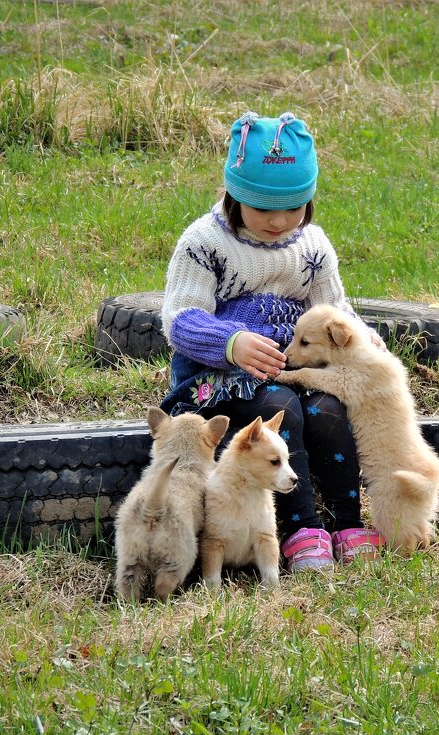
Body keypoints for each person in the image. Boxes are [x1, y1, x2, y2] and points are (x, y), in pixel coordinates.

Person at [159, 111, 384, 574]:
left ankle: (348, 521)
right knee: (284, 407)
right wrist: (231, 342)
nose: (279, 221)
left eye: (293, 206)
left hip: (293, 366)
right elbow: (180, 319)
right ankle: (302, 528)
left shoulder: (314, 248)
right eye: (262, 207)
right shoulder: (204, 243)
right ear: (233, 194)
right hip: (220, 379)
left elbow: (335, 313)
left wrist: (366, 341)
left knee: (328, 412)